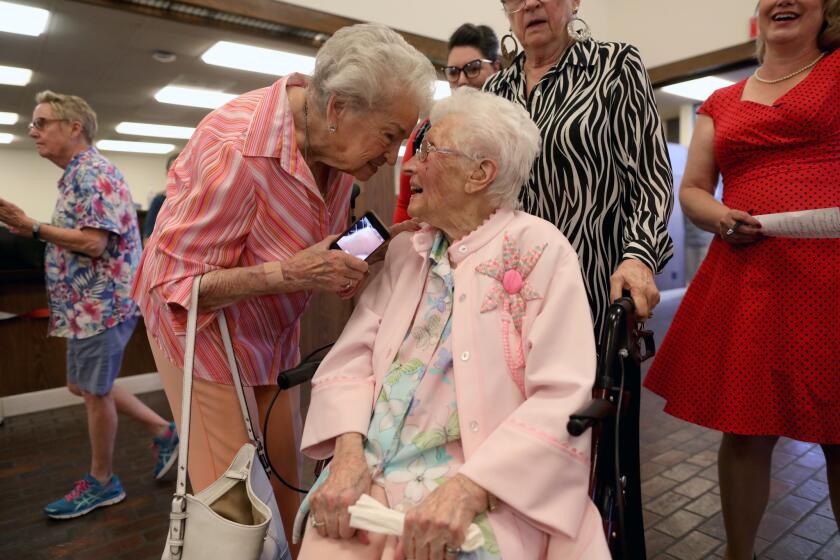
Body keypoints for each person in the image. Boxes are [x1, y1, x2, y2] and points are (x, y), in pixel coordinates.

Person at [131, 23, 436, 549]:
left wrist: (376, 245)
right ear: (338, 107)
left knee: (286, 487)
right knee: (237, 509)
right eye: (390, 135)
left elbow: (324, 249)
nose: (394, 155)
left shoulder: (339, 153)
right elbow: (172, 281)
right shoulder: (235, 147)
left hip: (270, 338)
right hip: (204, 339)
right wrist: (291, 274)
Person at [294, 88, 609, 560]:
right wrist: (346, 455)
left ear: (480, 174)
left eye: (428, 151)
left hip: (489, 478)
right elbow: (353, 357)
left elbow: (562, 392)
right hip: (370, 473)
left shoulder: (541, 249)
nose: (408, 166)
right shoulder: (405, 249)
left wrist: (470, 488)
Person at [644, 1, 840, 558]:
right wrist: (719, 217)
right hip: (750, 275)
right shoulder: (721, 101)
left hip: (832, 277)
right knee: (747, 426)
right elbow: (694, 190)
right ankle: (738, 555)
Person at [0, 91, 178, 519]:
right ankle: (163, 430)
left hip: (101, 307)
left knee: (94, 393)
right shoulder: (76, 175)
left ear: (73, 127)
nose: (34, 130)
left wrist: (35, 227)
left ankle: (103, 483)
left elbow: (95, 244)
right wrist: (34, 231)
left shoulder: (94, 174)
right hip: (85, 309)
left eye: (42, 123)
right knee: (83, 386)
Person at [483, 0, 674, 339]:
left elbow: (651, 180)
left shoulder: (615, 66)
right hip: (509, 290)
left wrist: (639, 256)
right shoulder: (494, 91)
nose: (530, 4)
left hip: (594, 286)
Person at [393, 23, 501, 223]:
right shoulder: (424, 132)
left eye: (473, 68)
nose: (461, 80)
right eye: (453, 71)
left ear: (496, 67)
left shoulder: (511, 132)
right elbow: (405, 202)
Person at [141, 151, 180, 243]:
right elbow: (147, 237)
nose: (177, 174)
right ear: (167, 173)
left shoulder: (193, 200)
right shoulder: (159, 200)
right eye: (173, 170)